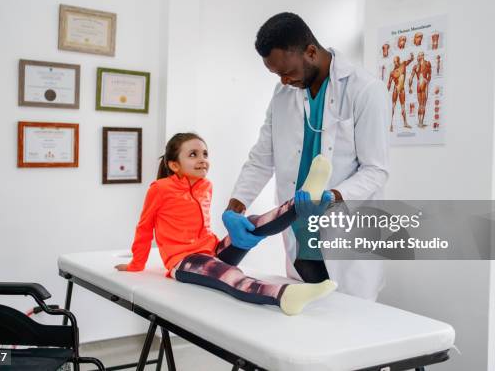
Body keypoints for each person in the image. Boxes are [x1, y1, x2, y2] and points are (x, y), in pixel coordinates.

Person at [224, 13, 389, 301]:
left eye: (287, 72)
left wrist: (331, 196)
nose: (284, 81)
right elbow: (262, 157)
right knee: (306, 322)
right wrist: (234, 209)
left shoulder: (365, 89)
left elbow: (375, 170)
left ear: (311, 52)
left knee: (350, 323)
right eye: (277, 75)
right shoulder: (283, 93)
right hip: (300, 237)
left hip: (345, 236)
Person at [116, 133, 337, 315]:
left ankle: (303, 200)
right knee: (230, 274)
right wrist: (137, 263)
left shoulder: (206, 186)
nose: (202, 159)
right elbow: (144, 227)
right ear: (174, 165)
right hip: (183, 261)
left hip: (212, 250)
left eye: (204, 154)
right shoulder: (160, 189)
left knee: (251, 224)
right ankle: (284, 296)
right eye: (193, 155)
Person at [387, 53, 415, 131]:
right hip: (396, 89)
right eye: (394, 62)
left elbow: (409, 61)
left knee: (403, 107)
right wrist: (385, 93)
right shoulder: (392, 72)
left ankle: (405, 123)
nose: (394, 63)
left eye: (396, 61)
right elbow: (389, 84)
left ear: (398, 61)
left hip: (402, 89)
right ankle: (390, 124)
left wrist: (412, 58)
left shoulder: (403, 65)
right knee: (393, 107)